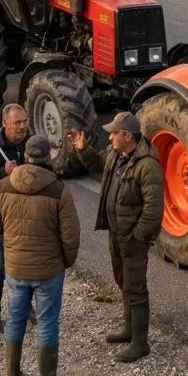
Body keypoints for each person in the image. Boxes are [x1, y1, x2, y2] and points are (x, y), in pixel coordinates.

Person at [0, 134, 80, 376]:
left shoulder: (4, 186)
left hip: (16, 268)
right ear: (47, 158)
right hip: (48, 270)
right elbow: (71, 238)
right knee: (48, 321)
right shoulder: (60, 190)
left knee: (15, 318)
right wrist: (65, 262)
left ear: (25, 157)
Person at [69, 111, 163, 362]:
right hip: (116, 232)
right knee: (123, 280)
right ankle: (128, 329)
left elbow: (154, 210)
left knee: (136, 287)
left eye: (114, 133)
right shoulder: (116, 154)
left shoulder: (147, 166)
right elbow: (98, 164)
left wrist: (138, 236)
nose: (109, 137)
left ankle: (140, 343)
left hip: (132, 238)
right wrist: (83, 149)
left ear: (127, 136)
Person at [0, 103, 30, 333]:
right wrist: (3, 173)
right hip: (1, 215)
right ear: (4, 123)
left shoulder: (32, 144)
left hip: (27, 216)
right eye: (17, 123)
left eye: (25, 121)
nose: (22, 127)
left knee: (25, 263)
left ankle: (25, 307)